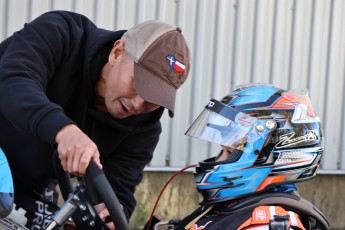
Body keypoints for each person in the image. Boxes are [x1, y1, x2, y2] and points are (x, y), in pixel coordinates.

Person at [0, 10, 191, 229]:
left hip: (29, 186)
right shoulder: (61, 33)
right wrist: (65, 131)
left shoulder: (143, 131)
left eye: (153, 98)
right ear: (117, 53)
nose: (139, 105)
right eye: (138, 85)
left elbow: (119, 188)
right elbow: (14, 80)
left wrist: (110, 210)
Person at [155, 84, 329, 229]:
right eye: (222, 151)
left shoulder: (266, 224)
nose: (218, 161)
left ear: (269, 156)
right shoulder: (237, 205)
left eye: (229, 152)